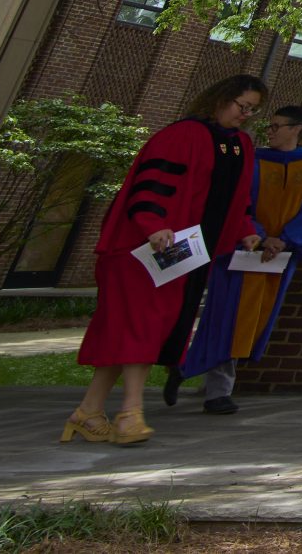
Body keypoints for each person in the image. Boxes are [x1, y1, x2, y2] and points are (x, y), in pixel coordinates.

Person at [66, 74, 266, 446]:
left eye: (253, 110)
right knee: (142, 325)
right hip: (144, 251)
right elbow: (150, 186)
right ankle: (131, 413)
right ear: (221, 98)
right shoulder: (181, 135)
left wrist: (245, 227)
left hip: (184, 255)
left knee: (131, 328)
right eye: (243, 106)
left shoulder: (240, 146)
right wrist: (153, 224)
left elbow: (236, 198)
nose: (246, 115)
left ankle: (88, 411)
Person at [172, 103, 302, 413]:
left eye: (276, 126)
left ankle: (186, 368)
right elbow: (236, 202)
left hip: (279, 255)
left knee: (254, 322)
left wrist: (284, 239)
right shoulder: (252, 160)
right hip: (241, 248)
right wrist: (257, 233)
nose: (270, 132)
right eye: (269, 126)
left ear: (296, 129)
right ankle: (214, 388)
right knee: (226, 316)